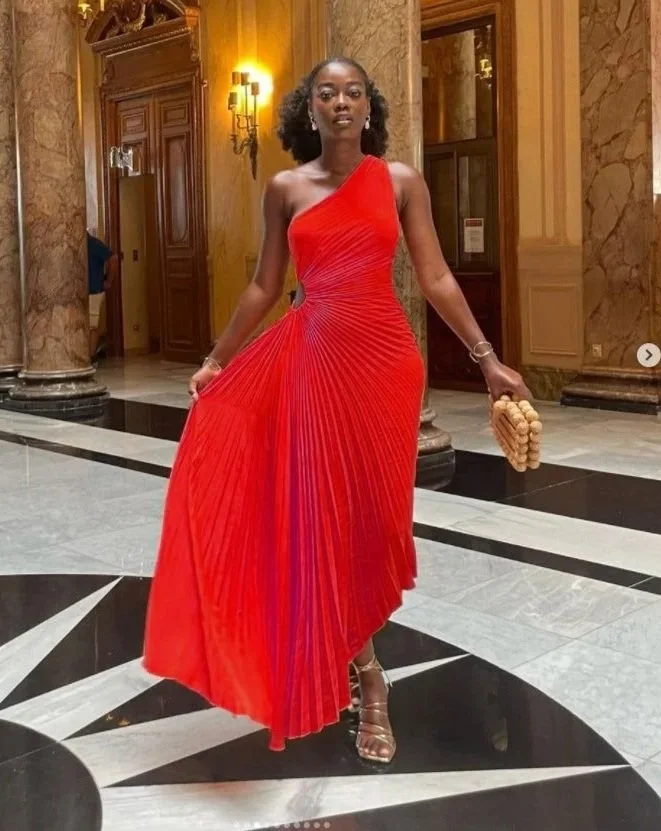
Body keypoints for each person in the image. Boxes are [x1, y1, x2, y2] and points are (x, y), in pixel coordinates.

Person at [143, 57, 531, 764]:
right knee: (325, 521)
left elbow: (435, 274)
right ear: (309, 110)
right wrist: (217, 358)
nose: (342, 102)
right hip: (315, 364)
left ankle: (357, 655)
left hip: (385, 366)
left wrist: (485, 358)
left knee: (373, 524)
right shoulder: (285, 188)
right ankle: (370, 677)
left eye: (354, 91)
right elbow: (264, 287)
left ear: (368, 107)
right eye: (328, 93)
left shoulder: (399, 180)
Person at [87, 229, 118, 359]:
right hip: (80, 291)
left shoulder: (94, 244)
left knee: (92, 325)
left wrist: (109, 281)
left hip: (94, 290)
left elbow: (113, 258)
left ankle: (91, 354)